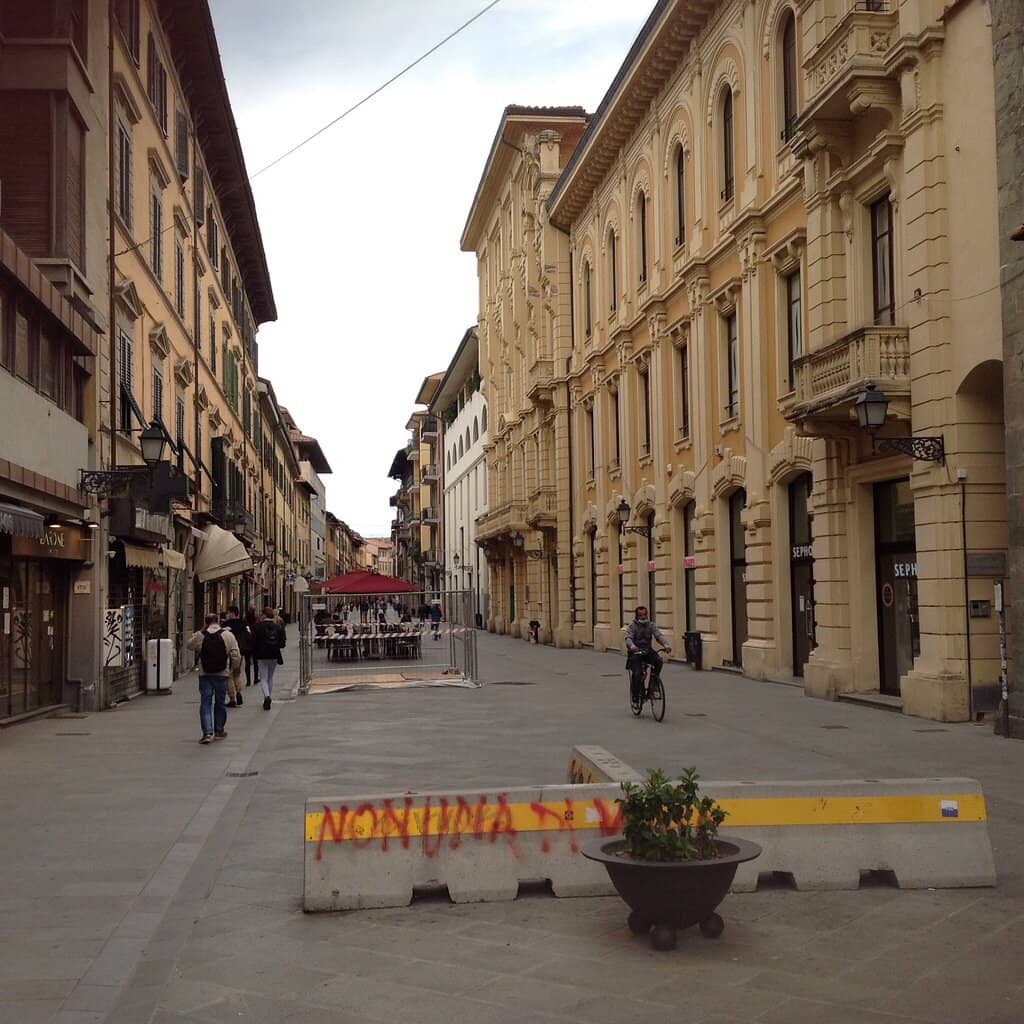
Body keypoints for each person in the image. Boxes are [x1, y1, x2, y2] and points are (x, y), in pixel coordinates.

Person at [188, 612, 241, 744]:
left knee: (205, 703)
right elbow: (236, 655)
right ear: (218, 621)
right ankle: (219, 730)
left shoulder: (201, 635)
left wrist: (200, 631)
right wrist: (232, 669)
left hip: (205, 674)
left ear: (206, 622)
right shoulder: (228, 635)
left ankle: (207, 732)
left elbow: (189, 645)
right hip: (222, 674)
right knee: (220, 702)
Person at [624, 605, 672, 703]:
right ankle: (636, 695)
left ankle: (653, 685)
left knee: (658, 661)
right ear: (636, 616)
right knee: (637, 674)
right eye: (641, 615)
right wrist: (632, 646)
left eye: (645, 615)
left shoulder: (651, 625)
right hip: (635, 653)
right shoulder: (632, 626)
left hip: (647, 651)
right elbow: (628, 638)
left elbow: (658, 635)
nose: (643, 617)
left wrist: (666, 645)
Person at [252, 605, 285, 710]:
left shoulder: (258, 627)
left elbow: (254, 641)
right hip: (274, 654)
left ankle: (266, 696)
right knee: (270, 677)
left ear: (264, 615)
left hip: (261, 655)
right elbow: (282, 643)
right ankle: (268, 696)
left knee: (263, 677)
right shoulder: (278, 626)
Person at [222, 604, 249, 707]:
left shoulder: (226, 625)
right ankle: (239, 692)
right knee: (237, 674)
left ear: (232, 613)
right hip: (239, 652)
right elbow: (248, 635)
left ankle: (232, 698)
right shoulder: (243, 623)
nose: (227, 614)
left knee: (229, 675)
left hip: (229, 653)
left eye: (228, 612)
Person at [242, 606, 260, 688]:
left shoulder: (245, 623)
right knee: (256, 663)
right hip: (255, 645)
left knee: (247, 663)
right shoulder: (256, 623)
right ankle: (256, 678)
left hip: (246, 646)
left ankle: (248, 681)